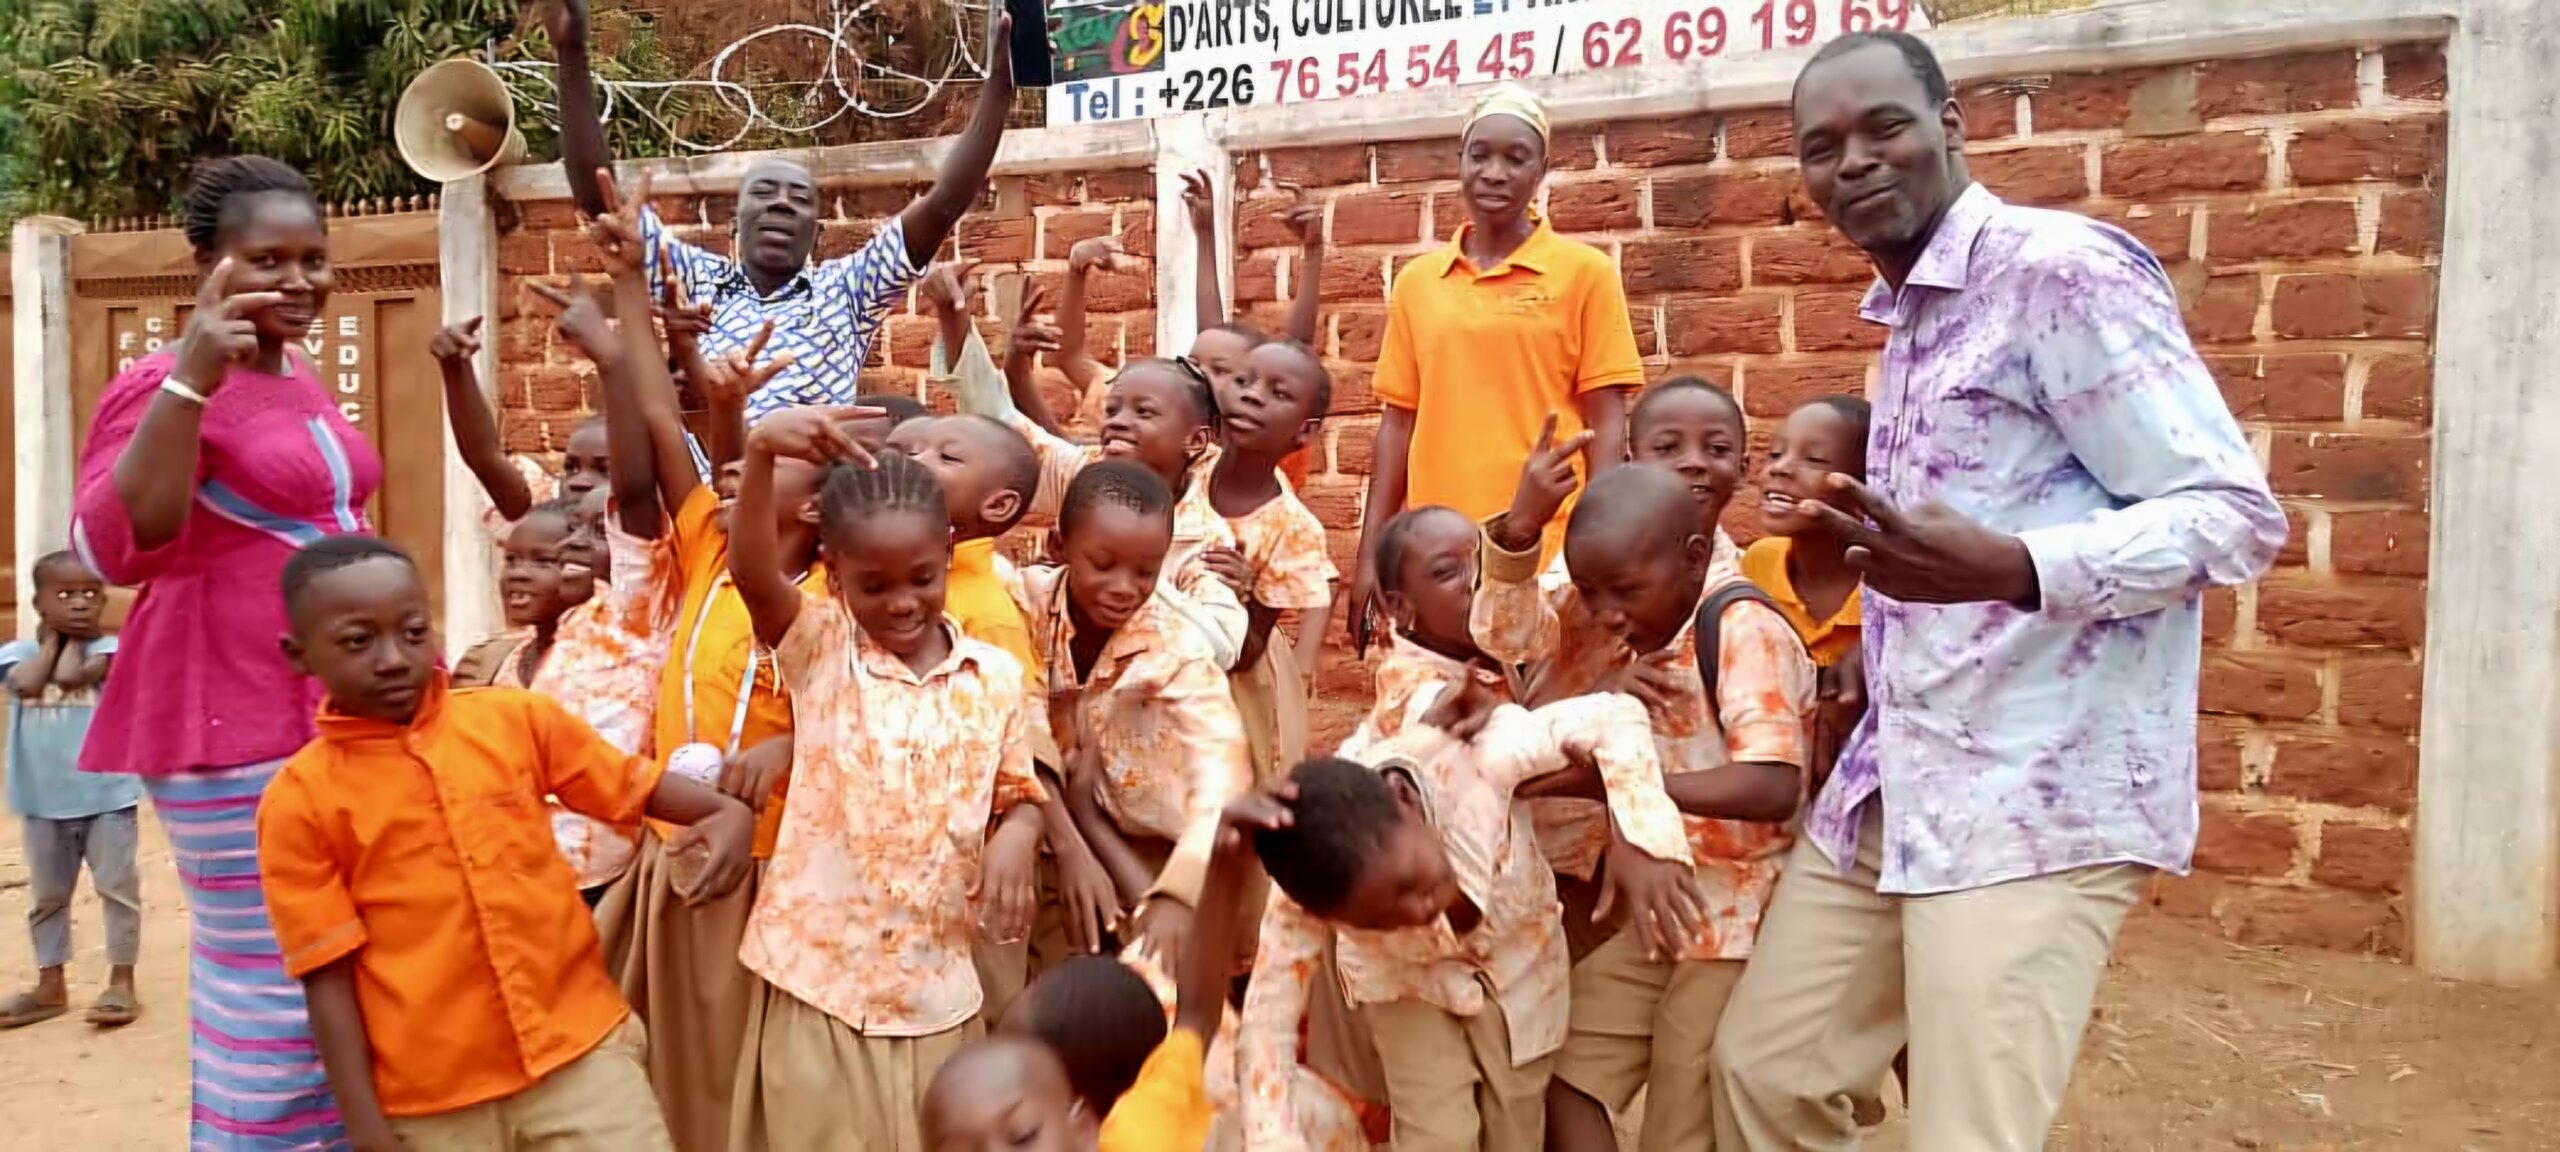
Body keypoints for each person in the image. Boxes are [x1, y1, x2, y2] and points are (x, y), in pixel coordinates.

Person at [1709, 32, 2287, 1152]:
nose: (1854, 162)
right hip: (1900, 775)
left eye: (1884, 127)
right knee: (1768, 1071)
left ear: (1950, 125)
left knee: (1967, 1132)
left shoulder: (2057, 273)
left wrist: (2017, 569)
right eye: (1822, 147)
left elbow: (2231, 515)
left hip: (2034, 793)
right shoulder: (1911, 316)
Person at [256, 535, 756, 1152]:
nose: (393, 659)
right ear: (299, 655)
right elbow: (325, 974)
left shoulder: (514, 721)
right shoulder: (299, 802)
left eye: (413, 633)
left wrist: (722, 812)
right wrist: (365, 1127)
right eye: (358, 641)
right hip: (434, 1098)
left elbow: (628, 783)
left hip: (580, 1055)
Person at [66, 154, 374, 1148]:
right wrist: (191, 382)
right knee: (281, 981)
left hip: (324, 707)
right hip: (227, 718)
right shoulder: (160, 383)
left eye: (313, 258)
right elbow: (113, 547)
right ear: (207, 264)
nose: (299, 279)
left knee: (352, 967)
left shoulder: (295, 375)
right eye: (268, 259)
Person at [1476, 441, 1815, 1152]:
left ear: (1694, 558)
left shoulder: (1742, 628)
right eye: (1591, 593)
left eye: (1624, 592)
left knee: (1679, 1122)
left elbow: (1775, 782)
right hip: (1666, 909)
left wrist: (1627, 793)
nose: (1606, 614)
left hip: (1737, 919)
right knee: (1564, 1074)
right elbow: (1509, 638)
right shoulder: (1646, 628)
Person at [722, 411, 1045, 1151]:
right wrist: (762, 450)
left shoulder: (994, 677)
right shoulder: (822, 649)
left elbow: (1019, 790)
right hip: (821, 985)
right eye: (873, 586)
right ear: (834, 576)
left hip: (938, 989)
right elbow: (752, 572)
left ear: (949, 554)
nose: (902, 602)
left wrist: (1018, 836)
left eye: (923, 579)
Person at [574, 171, 817, 1152]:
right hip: (673, 841)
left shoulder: (837, 598)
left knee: (740, 1074)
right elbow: (655, 414)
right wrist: (630, 282)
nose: (745, 458)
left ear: (817, 504)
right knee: (664, 1056)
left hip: (769, 864)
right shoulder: (709, 543)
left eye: (777, 458)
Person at [1240, 675, 1697, 1152]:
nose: (1421, 911)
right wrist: (1274, 1142)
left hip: (1518, 971)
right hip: (1405, 984)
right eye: (1382, 921)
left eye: (1409, 883)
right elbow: (1265, 1030)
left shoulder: (1480, 756)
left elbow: (1616, 717)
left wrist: (1641, 834)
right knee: (1436, 1137)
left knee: (1513, 1131)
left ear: (1402, 799)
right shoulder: (1306, 882)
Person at [549, 0, 1017, 422]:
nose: (780, 203)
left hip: (807, 482)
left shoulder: (848, 291)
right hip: (706, 481)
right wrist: (570, 55)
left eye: (799, 199)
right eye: (765, 192)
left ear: (817, 234)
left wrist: (997, 96)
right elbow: (599, 199)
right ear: (734, 224)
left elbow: (943, 204)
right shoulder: (692, 280)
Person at [1346, 83, 1646, 652]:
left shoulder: (1584, 274)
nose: (1495, 173)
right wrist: (1369, 558)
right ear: (1459, 162)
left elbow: (1606, 422)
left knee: (1541, 699)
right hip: (1438, 562)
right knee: (1441, 700)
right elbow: (1397, 425)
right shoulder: (1419, 284)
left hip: (1548, 550)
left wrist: (1599, 546)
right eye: (1479, 155)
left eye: (1516, 158)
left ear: (1542, 171)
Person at [1015, 462, 1250, 976]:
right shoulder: (1023, 605)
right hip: (1046, 831)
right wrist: (1073, 847)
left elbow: (1222, 778)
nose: (1124, 587)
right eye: (1103, 565)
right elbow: (1018, 726)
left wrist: (1173, 894)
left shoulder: (1176, 647)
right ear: (1058, 547)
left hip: (1154, 846)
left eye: (1146, 572)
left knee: (1157, 985)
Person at [0, 552, 138, 1030]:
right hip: (43, 801)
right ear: (37, 603)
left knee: (117, 890)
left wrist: (68, 640)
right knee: (48, 897)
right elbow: (28, 684)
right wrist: (50, 642)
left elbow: (69, 676)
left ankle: (121, 982)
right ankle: (50, 984)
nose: (80, 603)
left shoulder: (110, 651)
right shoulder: (17, 655)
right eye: (65, 595)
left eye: (90, 594)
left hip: (108, 796)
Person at [1742, 394, 1873, 785]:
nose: (1780, 468)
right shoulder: (1756, 567)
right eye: (1775, 454)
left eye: (1813, 460)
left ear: (1865, 488)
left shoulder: (1888, 594)